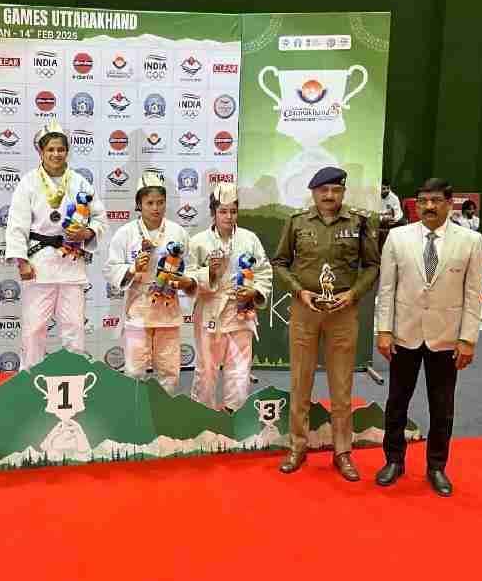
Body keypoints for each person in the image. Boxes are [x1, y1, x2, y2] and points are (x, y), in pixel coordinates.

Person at [375, 178, 482, 496]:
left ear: (449, 204)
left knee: (442, 407)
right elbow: (387, 288)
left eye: (436, 200)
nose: (429, 207)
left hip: (447, 337)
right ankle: (394, 460)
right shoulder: (397, 237)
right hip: (403, 334)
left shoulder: (471, 241)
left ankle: (437, 466)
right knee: (397, 402)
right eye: (423, 201)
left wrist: (468, 339)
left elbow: (473, 294)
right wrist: (384, 330)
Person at [270, 166, 380, 481]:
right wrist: (298, 291)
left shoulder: (359, 223)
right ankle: (297, 446)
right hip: (305, 309)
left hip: (342, 312)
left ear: (343, 192)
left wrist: (354, 293)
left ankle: (342, 451)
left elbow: (372, 265)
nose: (329, 196)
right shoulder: (297, 222)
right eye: (323, 190)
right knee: (300, 381)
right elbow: (280, 262)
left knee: (342, 385)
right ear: (314, 193)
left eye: (336, 190)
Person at [5, 120, 107, 368]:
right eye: (50, 149)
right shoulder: (28, 182)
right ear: (41, 152)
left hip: (71, 263)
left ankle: (75, 378)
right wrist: (21, 261)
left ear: (67, 151)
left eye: (61, 149)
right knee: (34, 328)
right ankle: (29, 378)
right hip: (38, 265)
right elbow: (17, 225)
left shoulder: (80, 183)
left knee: (74, 327)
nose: (56, 154)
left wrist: (87, 232)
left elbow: (100, 218)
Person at [104, 170, 195, 394]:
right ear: (139, 204)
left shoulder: (177, 232)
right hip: (139, 308)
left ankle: (164, 412)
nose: (156, 208)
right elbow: (110, 268)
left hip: (168, 308)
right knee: (135, 369)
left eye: (160, 202)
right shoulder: (125, 233)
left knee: (169, 370)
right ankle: (135, 413)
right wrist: (132, 269)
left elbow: (192, 268)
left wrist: (185, 280)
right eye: (150, 203)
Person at [187, 183, 273, 412]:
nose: (228, 216)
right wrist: (210, 273)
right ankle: (201, 414)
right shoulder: (198, 241)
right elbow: (188, 278)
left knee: (240, 370)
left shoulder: (249, 239)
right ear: (213, 212)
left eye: (233, 211)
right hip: (210, 312)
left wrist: (254, 291)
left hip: (240, 312)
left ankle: (234, 413)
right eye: (223, 211)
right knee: (207, 370)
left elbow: (264, 271)